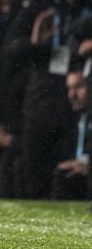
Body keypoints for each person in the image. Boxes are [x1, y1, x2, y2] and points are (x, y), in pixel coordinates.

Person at [2, 0, 92, 198]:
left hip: (77, 109)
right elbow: (9, 51)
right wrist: (34, 44)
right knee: (35, 183)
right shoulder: (41, 3)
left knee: (67, 182)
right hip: (40, 106)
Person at [50, 69, 90, 200]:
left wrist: (87, 164)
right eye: (69, 88)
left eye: (78, 87)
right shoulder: (74, 118)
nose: (72, 94)